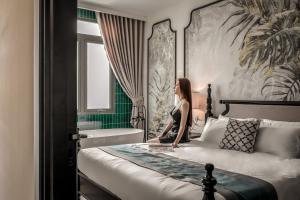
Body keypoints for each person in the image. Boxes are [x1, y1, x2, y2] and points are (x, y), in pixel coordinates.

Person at [148, 78, 192, 148]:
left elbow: (182, 126)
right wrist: (163, 134)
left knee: (149, 144)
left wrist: (176, 142)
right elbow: (172, 121)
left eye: (176, 85)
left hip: (178, 136)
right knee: (149, 143)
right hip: (173, 134)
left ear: (182, 87)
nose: (174, 87)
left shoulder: (185, 103)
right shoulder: (180, 102)